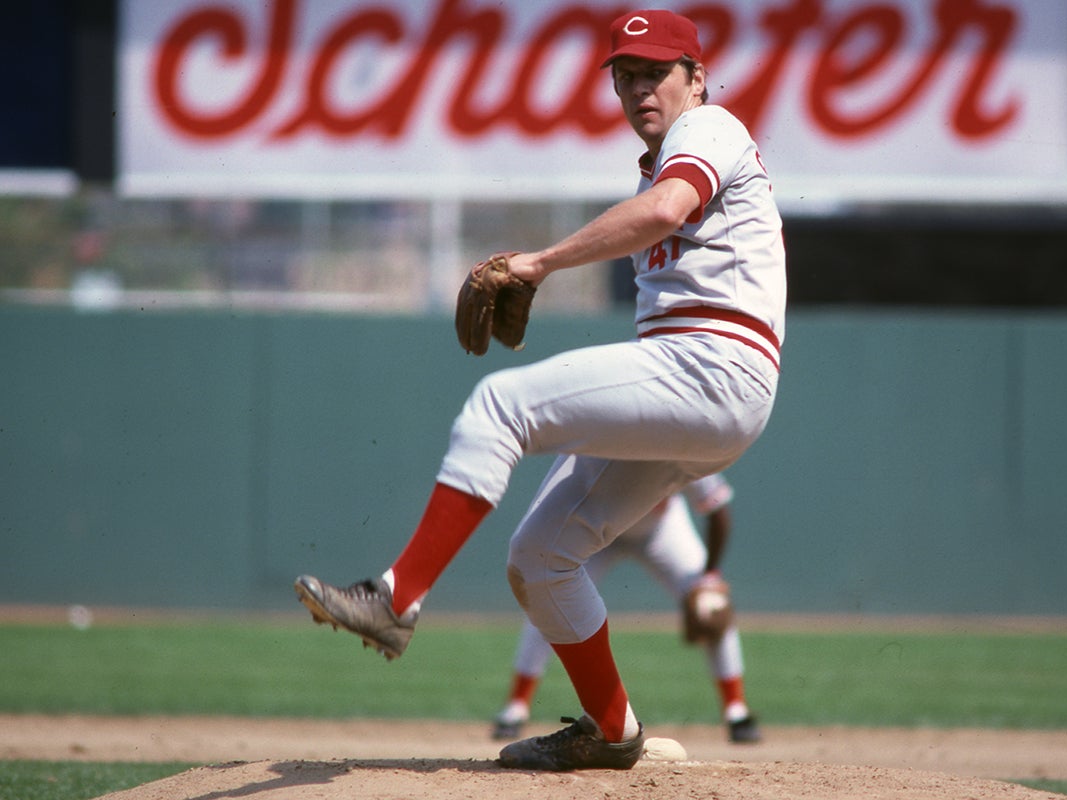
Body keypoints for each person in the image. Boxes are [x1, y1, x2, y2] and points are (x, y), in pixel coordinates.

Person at [294, 8, 785, 772]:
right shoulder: (658, 160)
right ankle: (614, 729)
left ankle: (396, 599)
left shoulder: (710, 128)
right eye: (625, 76)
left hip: (714, 364)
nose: (638, 89)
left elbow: (664, 211)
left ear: (696, 77)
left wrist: (539, 262)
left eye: (656, 72)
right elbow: (657, 207)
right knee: (541, 555)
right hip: (701, 386)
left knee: (501, 403)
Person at [491, 472, 762, 745]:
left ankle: (736, 710)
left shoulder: (677, 441)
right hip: (596, 531)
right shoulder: (605, 442)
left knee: (712, 605)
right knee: (547, 600)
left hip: (660, 529)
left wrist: (710, 576)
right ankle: (516, 707)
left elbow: (718, 510)